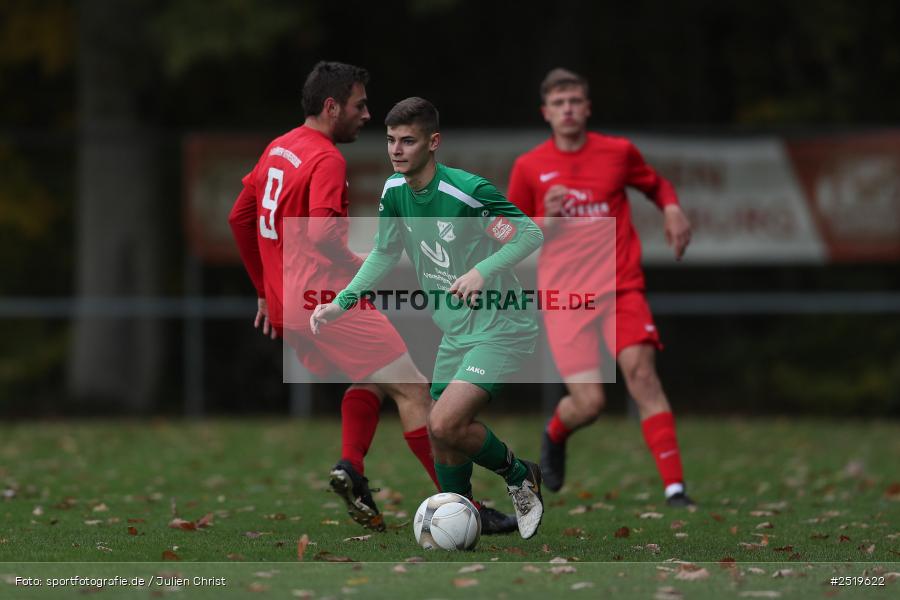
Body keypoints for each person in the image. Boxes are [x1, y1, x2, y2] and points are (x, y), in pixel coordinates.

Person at [229, 61, 516, 534]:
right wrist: (360, 265)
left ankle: (352, 468)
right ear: (332, 106)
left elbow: (239, 218)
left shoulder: (279, 147)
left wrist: (264, 291)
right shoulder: (325, 158)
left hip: (288, 303)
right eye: (359, 106)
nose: (366, 115)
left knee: (372, 377)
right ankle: (465, 509)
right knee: (414, 391)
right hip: (325, 298)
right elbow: (322, 235)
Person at [311, 97, 547, 538]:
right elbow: (384, 253)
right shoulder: (394, 192)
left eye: (408, 141)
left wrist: (481, 271)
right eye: (390, 140)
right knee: (440, 435)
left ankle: (520, 475)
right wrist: (342, 302)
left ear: (433, 142)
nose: (396, 150)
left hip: (501, 327)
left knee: (443, 422)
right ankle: (461, 523)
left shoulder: (466, 193)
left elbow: (528, 234)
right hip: (455, 331)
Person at [507, 67, 696, 507]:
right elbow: (508, 234)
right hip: (566, 298)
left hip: (620, 287)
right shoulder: (529, 166)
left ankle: (675, 490)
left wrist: (672, 209)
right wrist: (546, 219)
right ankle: (556, 432)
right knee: (590, 403)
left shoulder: (617, 152)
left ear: (587, 107)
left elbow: (657, 185)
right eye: (559, 103)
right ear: (546, 112)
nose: (568, 109)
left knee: (642, 376)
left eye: (575, 101)